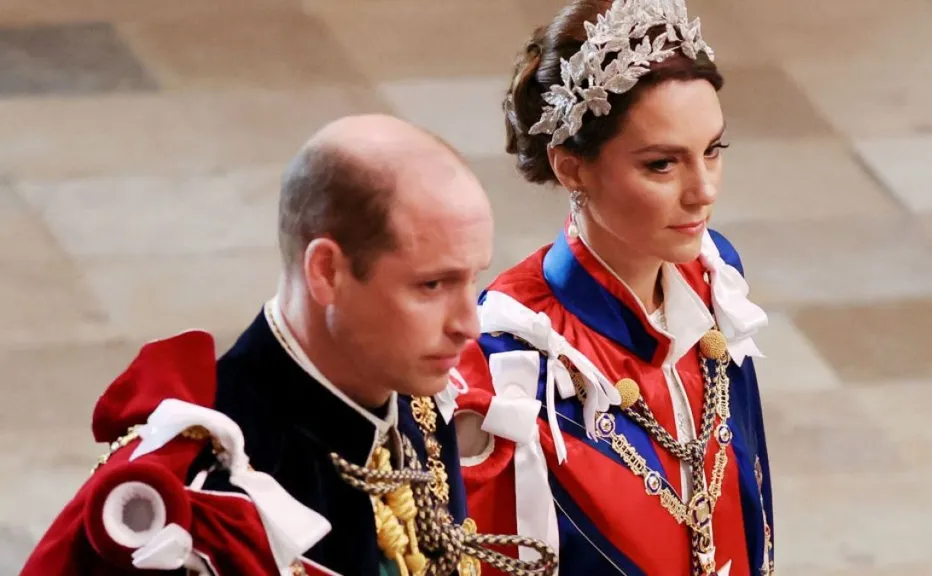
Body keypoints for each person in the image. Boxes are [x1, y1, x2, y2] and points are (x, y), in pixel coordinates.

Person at [20, 115, 557, 576]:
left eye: (472, 278)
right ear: (326, 271)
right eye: (432, 286)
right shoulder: (208, 500)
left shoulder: (414, 400)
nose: (469, 324)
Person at [452, 1, 775, 575]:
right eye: (661, 165)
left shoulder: (714, 277)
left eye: (713, 151)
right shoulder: (512, 360)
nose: (703, 191)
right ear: (572, 167)